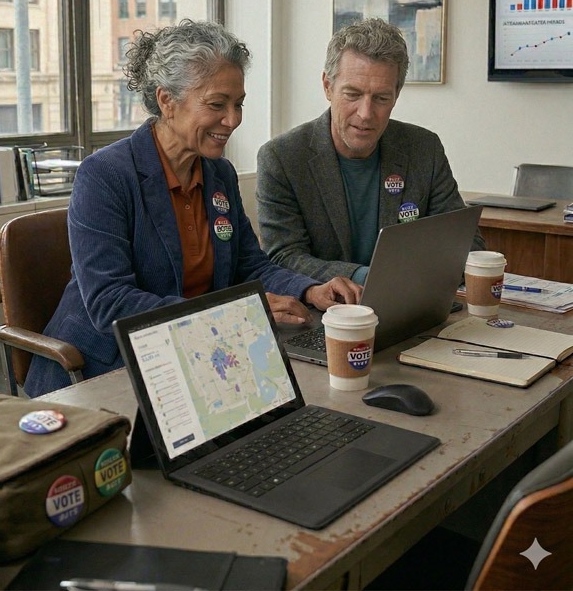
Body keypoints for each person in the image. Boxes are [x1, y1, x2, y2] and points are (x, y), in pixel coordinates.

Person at [24, 20, 360, 398]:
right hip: (103, 371)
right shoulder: (105, 176)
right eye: (217, 104)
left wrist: (310, 289)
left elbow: (249, 264)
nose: (232, 120)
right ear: (167, 100)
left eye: (238, 104)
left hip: (195, 357)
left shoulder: (218, 173)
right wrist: (235, 313)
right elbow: (110, 302)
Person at [256, 17, 485, 284]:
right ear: (327, 86)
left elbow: (466, 243)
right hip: (327, 313)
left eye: (381, 98)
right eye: (352, 94)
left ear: (396, 95)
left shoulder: (424, 149)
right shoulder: (282, 158)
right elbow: (283, 256)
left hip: (411, 305)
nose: (366, 114)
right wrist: (372, 278)